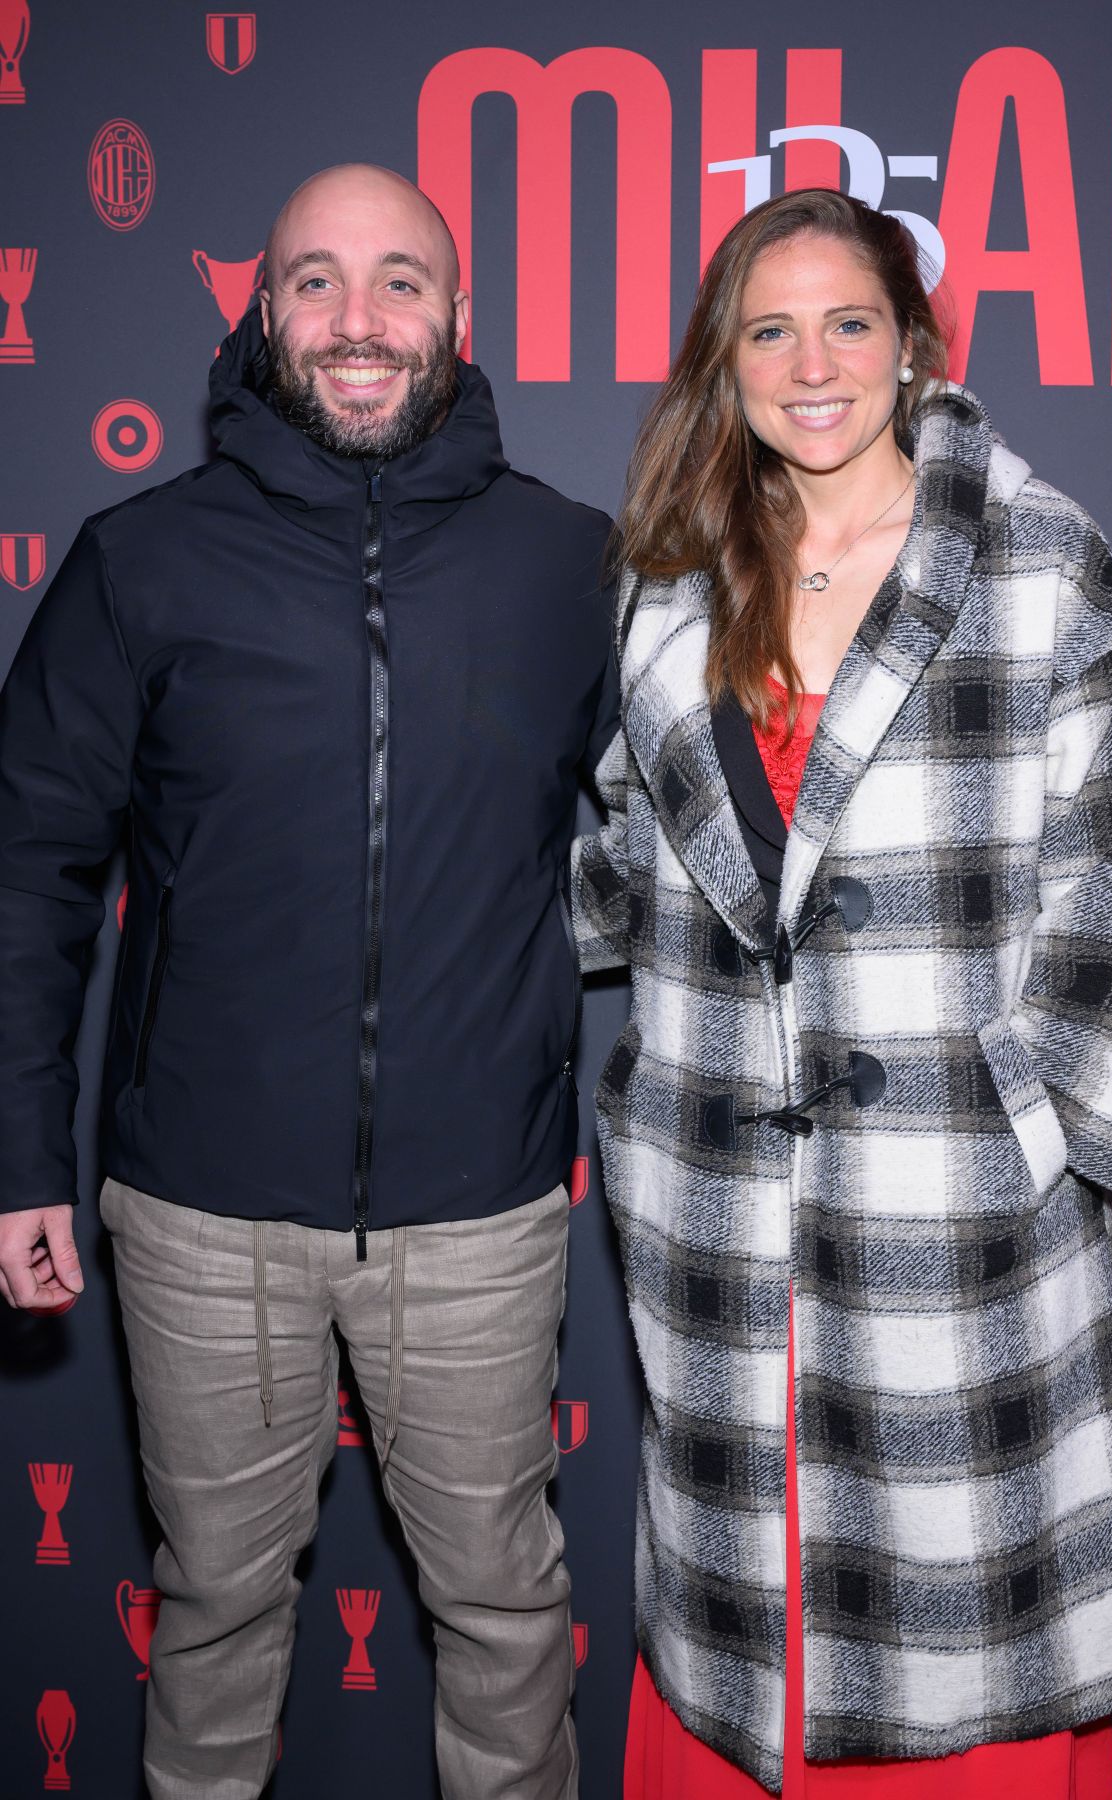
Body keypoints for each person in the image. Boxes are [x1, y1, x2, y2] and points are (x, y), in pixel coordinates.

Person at [0, 163, 616, 1800]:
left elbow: (683, 853)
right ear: (262, 311)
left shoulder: (575, 567)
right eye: (318, 283)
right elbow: (28, 874)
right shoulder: (140, 561)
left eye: (401, 281)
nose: (360, 321)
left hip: (480, 1211)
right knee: (209, 1617)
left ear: (460, 317)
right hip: (198, 1217)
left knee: (506, 1617)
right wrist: (16, 1159)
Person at [572, 189, 1112, 1798]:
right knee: (734, 1653)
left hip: (955, 1240)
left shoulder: (1038, 561)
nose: (811, 362)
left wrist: (1033, 1147)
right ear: (727, 360)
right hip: (717, 1222)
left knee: (963, 1660)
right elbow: (626, 863)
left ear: (912, 347)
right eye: (769, 328)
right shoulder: (669, 583)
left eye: (850, 323)